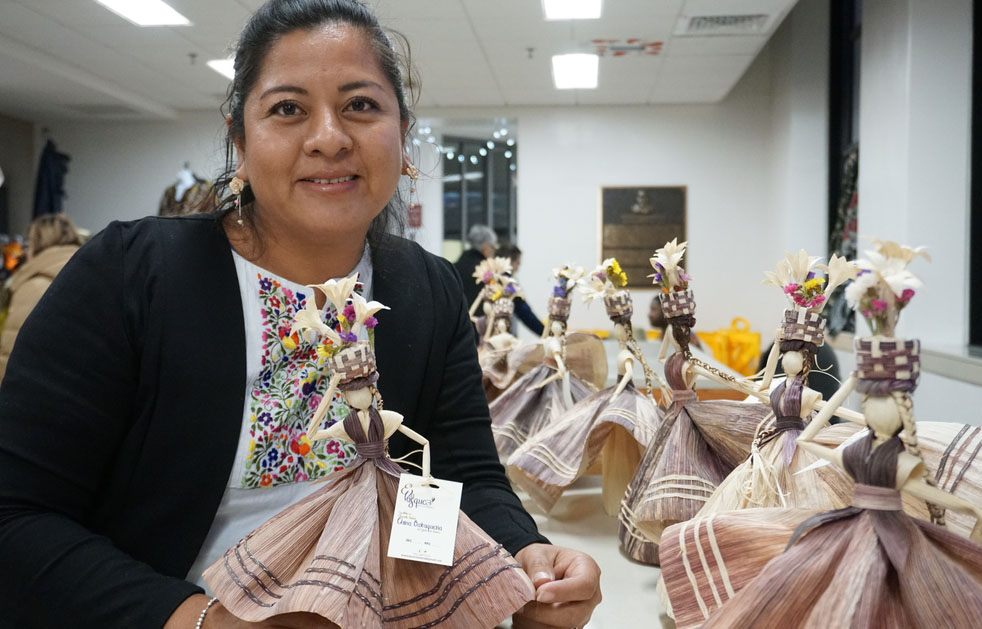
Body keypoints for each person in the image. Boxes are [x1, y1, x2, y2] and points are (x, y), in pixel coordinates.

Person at [0, 2, 601, 628]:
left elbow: (457, 475)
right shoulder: (130, 276)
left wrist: (527, 555)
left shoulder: (427, 289)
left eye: (361, 106)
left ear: (402, 134)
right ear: (240, 138)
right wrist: (204, 622)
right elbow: (16, 517)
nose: (329, 137)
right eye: (288, 109)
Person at [0, 212, 82, 380]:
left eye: (28, 244)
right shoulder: (87, 276)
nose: (25, 252)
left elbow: (10, 356)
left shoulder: (36, 286)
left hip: (29, 394)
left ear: (39, 244)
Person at [496, 243, 545, 336]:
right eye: (517, 264)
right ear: (510, 261)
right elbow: (524, 313)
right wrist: (545, 333)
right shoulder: (508, 283)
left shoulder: (489, 276)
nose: (517, 269)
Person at [453, 223, 497, 311]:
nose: (494, 251)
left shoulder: (455, 267)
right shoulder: (486, 271)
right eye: (492, 246)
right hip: (479, 321)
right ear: (485, 246)